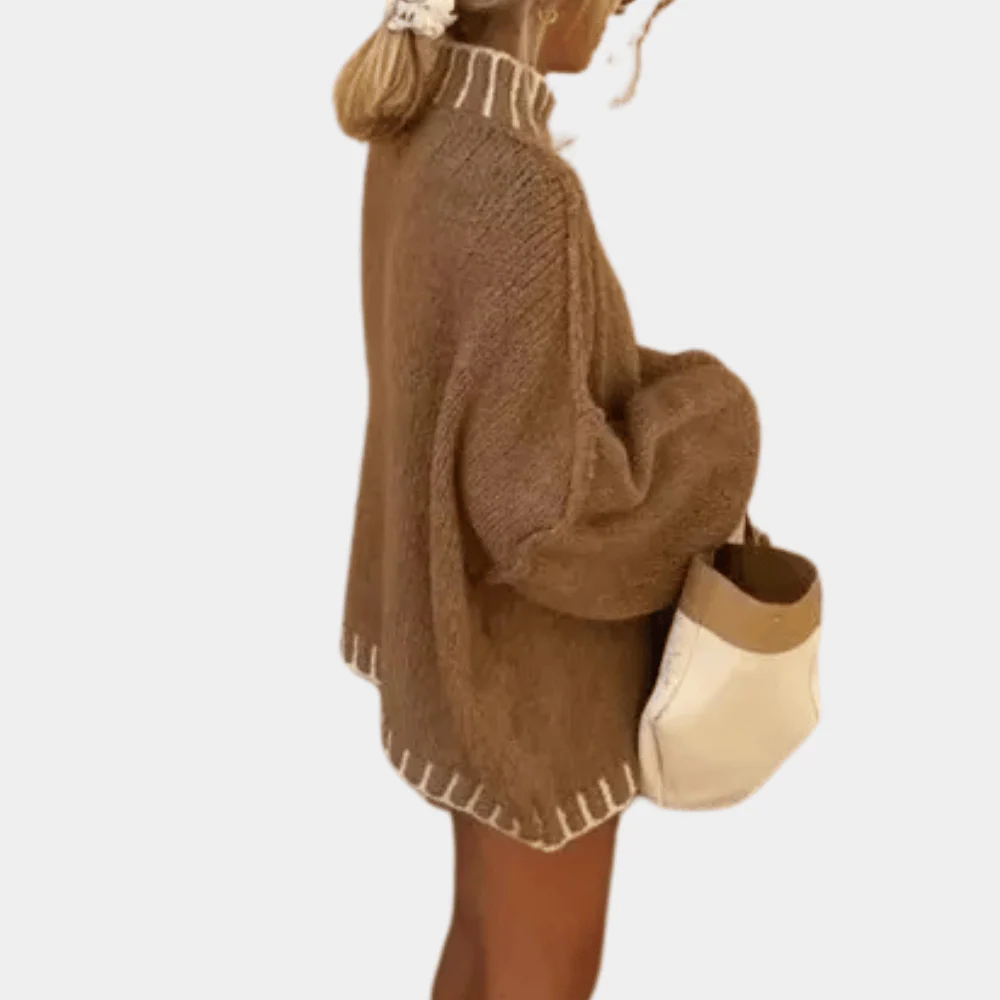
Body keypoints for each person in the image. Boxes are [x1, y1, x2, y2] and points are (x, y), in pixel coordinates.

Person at [333, 1, 760, 996]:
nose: (618, 14)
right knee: (540, 974)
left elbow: (489, 390)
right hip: (534, 682)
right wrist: (718, 421)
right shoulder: (521, 184)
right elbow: (551, 515)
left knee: (483, 946)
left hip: (457, 639)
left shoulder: (420, 124)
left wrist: (644, 388)